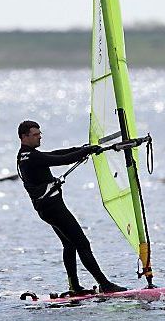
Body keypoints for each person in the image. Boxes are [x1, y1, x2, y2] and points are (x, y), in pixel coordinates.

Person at [16, 120, 126, 294]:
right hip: (53, 208)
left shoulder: (26, 155)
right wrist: (87, 151)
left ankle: (74, 285)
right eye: (35, 135)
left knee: (69, 245)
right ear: (24, 137)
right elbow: (61, 159)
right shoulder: (32, 157)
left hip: (47, 209)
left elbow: (57, 153)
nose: (40, 137)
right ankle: (104, 284)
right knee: (82, 243)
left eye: (40, 133)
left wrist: (83, 148)